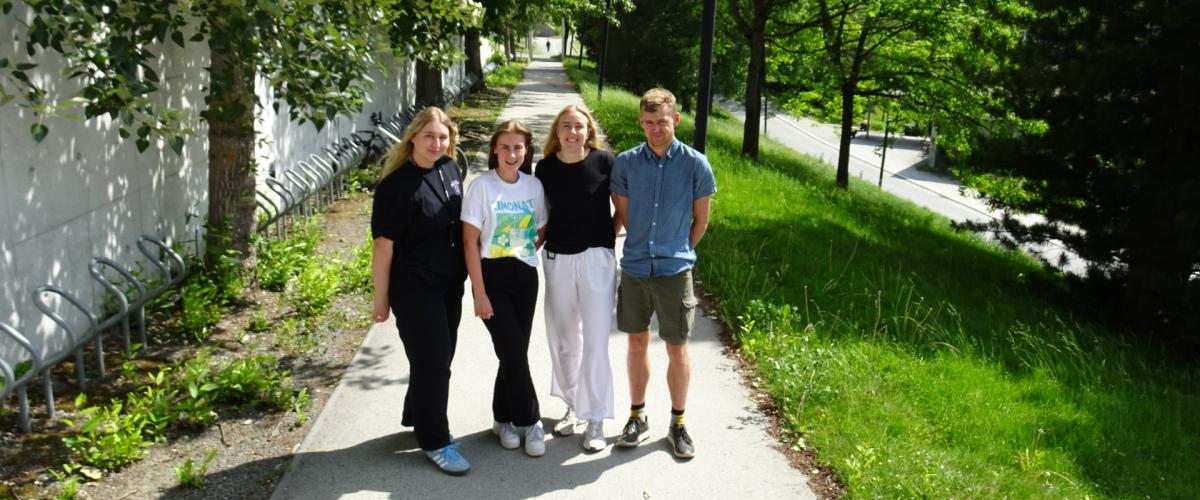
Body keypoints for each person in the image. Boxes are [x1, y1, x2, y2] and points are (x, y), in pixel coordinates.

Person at [611, 88, 716, 459]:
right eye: (649, 122)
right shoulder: (625, 164)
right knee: (636, 343)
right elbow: (622, 215)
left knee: (677, 347)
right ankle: (637, 416)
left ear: (676, 120)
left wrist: (680, 250)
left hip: (674, 270)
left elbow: (701, 220)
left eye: (663, 122)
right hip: (637, 267)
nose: (656, 129)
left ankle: (678, 423)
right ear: (641, 121)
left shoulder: (695, 164)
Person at [371, 106, 470, 475]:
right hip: (414, 288)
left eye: (443, 137)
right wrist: (381, 300)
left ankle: (417, 412)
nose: (437, 143)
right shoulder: (396, 186)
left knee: (438, 358)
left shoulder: (449, 168)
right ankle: (435, 441)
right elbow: (383, 248)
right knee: (433, 363)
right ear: (413, 137)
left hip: (448, 284)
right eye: (429, 136)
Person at [462, 120, 549, 457]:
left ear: (526, 151)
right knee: (512, 350)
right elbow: (470, 243)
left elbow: (541, 230)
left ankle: (502, 420)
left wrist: (523, 251)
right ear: (494, 150)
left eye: (518, 147)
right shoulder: (482, 187)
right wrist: (479, 293)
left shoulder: (533, 187)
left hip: (525, 278)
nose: (512, 154)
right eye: (505, 147)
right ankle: (531, 420)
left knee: (512, 353)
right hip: (491, 278)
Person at [534, 105, 619, 452]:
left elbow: (621, 211)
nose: (572, 132)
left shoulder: (604, 162)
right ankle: (573, 405)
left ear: (588, 131)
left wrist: (602, 242)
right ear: (557, 132)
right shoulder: (546, 168)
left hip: (596, 259)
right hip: (557, 260)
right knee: (564, 340)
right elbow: (541, 216)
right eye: (566, 126)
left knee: (597, 339)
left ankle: (595, 416)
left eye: (579, 127)